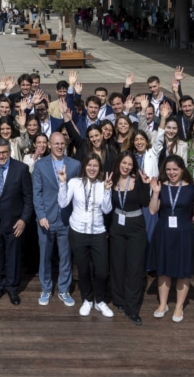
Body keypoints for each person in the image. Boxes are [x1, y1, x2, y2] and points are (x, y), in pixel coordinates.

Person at [148, 155, 194, 322]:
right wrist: (155, 193)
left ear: (182, 169)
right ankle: (163, 304)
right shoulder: (161, 186)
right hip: (164, 234)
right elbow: (153, 211)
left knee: (183, 272)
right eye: (168, 169)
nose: (171, 172)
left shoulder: (190, 188)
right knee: (163, 270)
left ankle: (178, 306)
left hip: (184, 235)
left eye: (175, 169)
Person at [58, 152, 114, 318]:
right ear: (84, 166)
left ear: (99, 168)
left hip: (97, 232)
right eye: (89, 165)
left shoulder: (102, 184)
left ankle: (100, 300)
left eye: (95, 166)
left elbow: (107, 209)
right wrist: (62, 183)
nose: (92, 168)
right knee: (83, 270)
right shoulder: (74, 182)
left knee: (102, 271)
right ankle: (88, 299)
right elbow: (63, 203)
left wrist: (107, 191)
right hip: (78, 232)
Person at [0, 137, 33, 305]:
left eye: (4, 152)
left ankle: (12, 288)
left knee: (13, 257)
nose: (1, 156)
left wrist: (24, 220)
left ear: (10, 152)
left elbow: (28, 198)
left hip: (14, 223)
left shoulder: (21, 169)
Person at [32, 131, 79, 308]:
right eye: (56, 143)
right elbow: (37, 193)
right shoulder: (40, 165)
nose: (59, 146)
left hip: (67, 218)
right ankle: (46, 288)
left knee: (65, 256)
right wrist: (41, 216)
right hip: (46, 218)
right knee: (45, 256)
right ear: (49, 145)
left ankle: (64, 290)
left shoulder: (75, 165)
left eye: (62, 143)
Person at [109, 151, 151, 325]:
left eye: (129, 164)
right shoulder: (111, 180)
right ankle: (119, 299)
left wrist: (146, 185)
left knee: (134, 268)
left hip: (135, 228)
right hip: (117, 227)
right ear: (119, 163)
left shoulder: (138, 180)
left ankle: (132, 308)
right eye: (124, 163)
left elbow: (145, 202)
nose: (126, 167)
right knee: (118, 265)